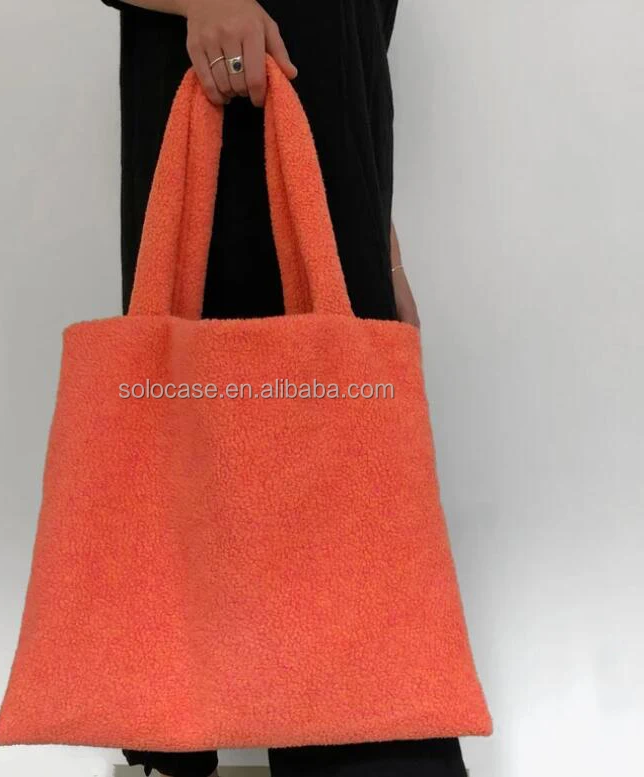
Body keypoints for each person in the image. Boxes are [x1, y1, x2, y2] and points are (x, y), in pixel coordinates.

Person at [95, 1, 460, 775]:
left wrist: (384, 255)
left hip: (339, 230)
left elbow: (351, 79)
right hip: (226, 196)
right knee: (256, 572)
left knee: (349, 595)